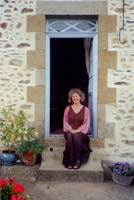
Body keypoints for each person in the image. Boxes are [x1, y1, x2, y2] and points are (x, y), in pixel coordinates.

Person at [62, 88, 92, 169]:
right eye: (73, 97)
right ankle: (70, 160)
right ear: (71, 99)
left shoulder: (86, 109)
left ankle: (78, 160)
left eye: (76, 96)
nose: (75, 98)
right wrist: (70, 129)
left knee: (76, 136)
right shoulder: (68, 108)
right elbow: (65, 120)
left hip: (81, 131)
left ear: (80, 97)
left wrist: (78, 130)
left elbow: (86, 123)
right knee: (69, 136)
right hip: (70, 129)